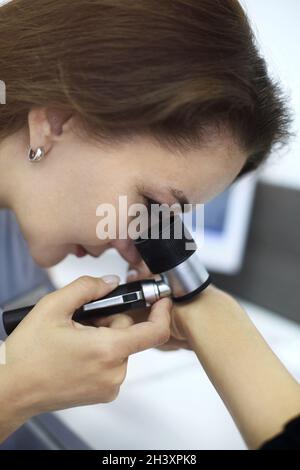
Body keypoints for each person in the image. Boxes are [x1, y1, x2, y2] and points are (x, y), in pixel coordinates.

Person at [0, 0, 298, 449]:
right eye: (152, 204)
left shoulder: (18, 229)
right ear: (57, 122)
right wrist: (17, 393)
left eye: (167, 223)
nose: (136, 249)